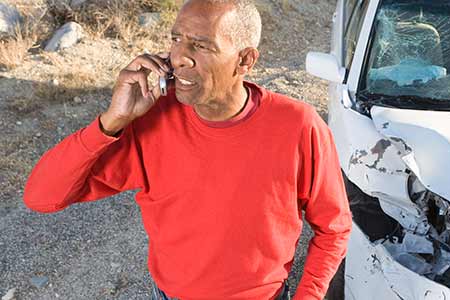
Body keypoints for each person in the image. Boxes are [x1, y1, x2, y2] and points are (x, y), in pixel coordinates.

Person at [22, 0, 352, 299]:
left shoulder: (299, 126)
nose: (179, 57)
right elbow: (41, 196)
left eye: (200, 45)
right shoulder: (150, 123)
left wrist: (308, 295)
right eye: (176, 39)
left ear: (245, 60)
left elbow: (334, 227)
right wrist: (111, 120)